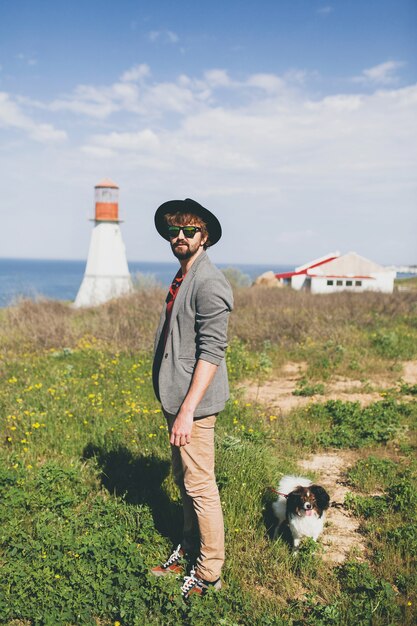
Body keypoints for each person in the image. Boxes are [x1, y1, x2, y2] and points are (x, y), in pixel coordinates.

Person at [150, 198, 233, 600]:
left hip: (193, 406)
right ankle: (189, 545)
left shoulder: (210, 281)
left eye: (189, 231)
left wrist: (186, 412)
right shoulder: (183, 275)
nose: (179, 237)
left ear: (205, 237)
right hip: (176, 400)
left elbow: (212, 352)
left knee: (200, 485)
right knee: (184, 480)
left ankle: (210, 571)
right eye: (173, 231)